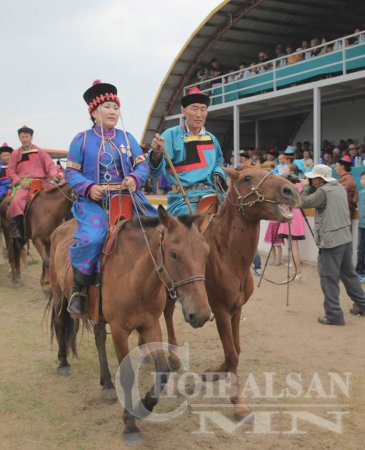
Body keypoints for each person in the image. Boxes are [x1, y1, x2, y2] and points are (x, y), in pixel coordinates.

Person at [65, 80, 156, 316]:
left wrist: (135, 178)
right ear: (94, 112)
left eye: (115, 107)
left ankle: (165, 283)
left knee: (160, 228)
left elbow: (142, 165)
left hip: (129, 199)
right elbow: (71, 171)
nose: (113, 111)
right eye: (106, 107)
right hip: (94, 202)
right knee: (92, 238)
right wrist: (87, 187)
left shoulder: (128, 139)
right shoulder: (81, 139)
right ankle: (79, 290)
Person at [300, 164, 365, 325]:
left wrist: (305, 187)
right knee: (349, 275)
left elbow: (302, 202)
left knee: (328, 278)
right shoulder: (338, 188)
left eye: (313, 177)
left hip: (331, 241)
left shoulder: (323, 191)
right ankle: (363, 304)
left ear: (320, 179)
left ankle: (334, 314)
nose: (311, 179)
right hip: (344, 238)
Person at [148, 87, 226, 215]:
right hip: (182, 198)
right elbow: (154, 171)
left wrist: (218, 173)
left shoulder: (212, 139)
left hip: (212, 195)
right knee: (189, 231)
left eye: (203, 109)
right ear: (183, 111)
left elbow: (219, 163)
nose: (199, 114)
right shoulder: (170, 135)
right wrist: (156, 154)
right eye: (194, 109)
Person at [7, 126, 61, 241]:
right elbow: (10, 171)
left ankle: (66, 226)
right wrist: (20, 181)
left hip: (42, 182)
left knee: (60, 198)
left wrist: (54, 174)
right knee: (16, 202)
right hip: (25, 184)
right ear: (19, 138)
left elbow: (50, 165)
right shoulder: (16, 153)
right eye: (22, 137)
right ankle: (18, 230)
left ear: (31, 137)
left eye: (26, 136)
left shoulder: (40, 152)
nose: (24, 139)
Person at [278, 165, 306, 280]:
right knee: (294, 245)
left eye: (286, 170)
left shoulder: (292, 187)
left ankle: (296, 273)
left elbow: (288, 202)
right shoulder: (300, 185)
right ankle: (296, 272)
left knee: (293, 246)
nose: (284, 171)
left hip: (292, 216)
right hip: (296, 215)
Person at [335, 154, 358, 219]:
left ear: (342, 166)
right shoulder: (346, 178)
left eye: (337, 166)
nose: (335, 168)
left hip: (343, 216)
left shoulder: (347, 180)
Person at [355, 171, 365, 281]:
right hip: (361, 225)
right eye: (362, 179)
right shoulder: (360, 192)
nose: (363, 181)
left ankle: (361, 272)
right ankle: (359, 271)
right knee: (360, 249)